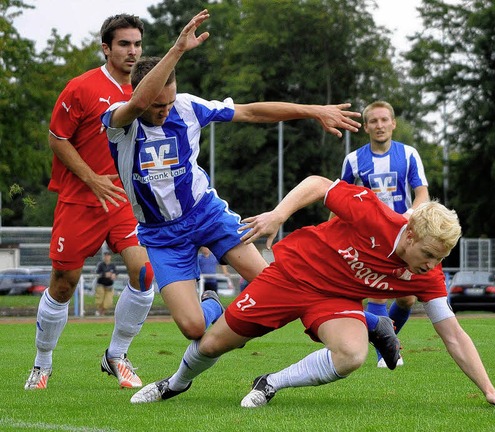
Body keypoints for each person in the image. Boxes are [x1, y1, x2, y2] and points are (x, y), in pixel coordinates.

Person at [129, 175, 495, 411]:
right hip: (292, 275)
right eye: (430, 255)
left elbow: (453, 334)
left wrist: (488, 389)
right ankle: (175, 383)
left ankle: (270, 383)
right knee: (212, 345)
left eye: (441, 259)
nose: (432, 266)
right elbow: (318, 185)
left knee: (352, 355)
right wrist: (280, 214)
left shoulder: (427, 276)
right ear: (412, 233)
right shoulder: (375, 214)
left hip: (334, 302)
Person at [100, 11, 362, 351]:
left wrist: (313, 110)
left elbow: (251, 111)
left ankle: (369, 323)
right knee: (194, 328)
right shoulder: (119, 122)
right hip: (161, 234)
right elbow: (138, 103)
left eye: (169, 102)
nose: (164, 110)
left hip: (205, 214)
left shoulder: (188, 107)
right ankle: (211, 304)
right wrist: (178, 48)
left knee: (273, 281)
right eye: (157, 105)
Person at [25, 14, 157, 391]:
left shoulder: (146, 90)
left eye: (137, 44)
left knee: (144, 273)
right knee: (64, 285)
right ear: (106, 48)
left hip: (123, 203)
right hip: (80, 200)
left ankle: (116, 355)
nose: (132, 51)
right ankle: (42, 363)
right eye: (124, 44)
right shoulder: (82, 87)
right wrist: (91, 178)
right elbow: (57, 139)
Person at [339, 100, 430, 368]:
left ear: (393, 124)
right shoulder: (354, 159)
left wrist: (409, 216)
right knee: (378, 293)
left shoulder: (409, 154)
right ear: (366, 127)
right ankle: (385, 355)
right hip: (371, 237)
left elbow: (422, 193)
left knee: (407, 298)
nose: (380, 125)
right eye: (374, 121)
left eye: (384, 120)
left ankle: (386, 342)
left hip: (405, 234)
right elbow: (340, 198)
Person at [95, 251, 117, 316]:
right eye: (105, 256)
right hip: (101, 284)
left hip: (109, 285)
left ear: (110, 257)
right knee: (99, 299)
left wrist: (114, 275)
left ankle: (102, 312)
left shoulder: (113, 265)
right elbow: (96, 273)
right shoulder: (100, 265)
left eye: (108, 256)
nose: (107, 257)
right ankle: (100, 313)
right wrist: (104, 274)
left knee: (108, 301)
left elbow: (116, 272)